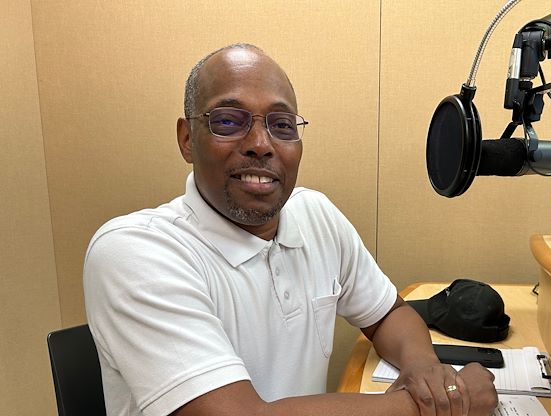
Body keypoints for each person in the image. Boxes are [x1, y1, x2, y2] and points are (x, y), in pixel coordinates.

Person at [83, 43, 498, 416]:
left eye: (281, 125)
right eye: (229, 121)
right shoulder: (135, 251)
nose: (261, 143)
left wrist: (426, 371)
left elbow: (387, 313)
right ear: (188, 138)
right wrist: (430, 405)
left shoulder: (315, 214)